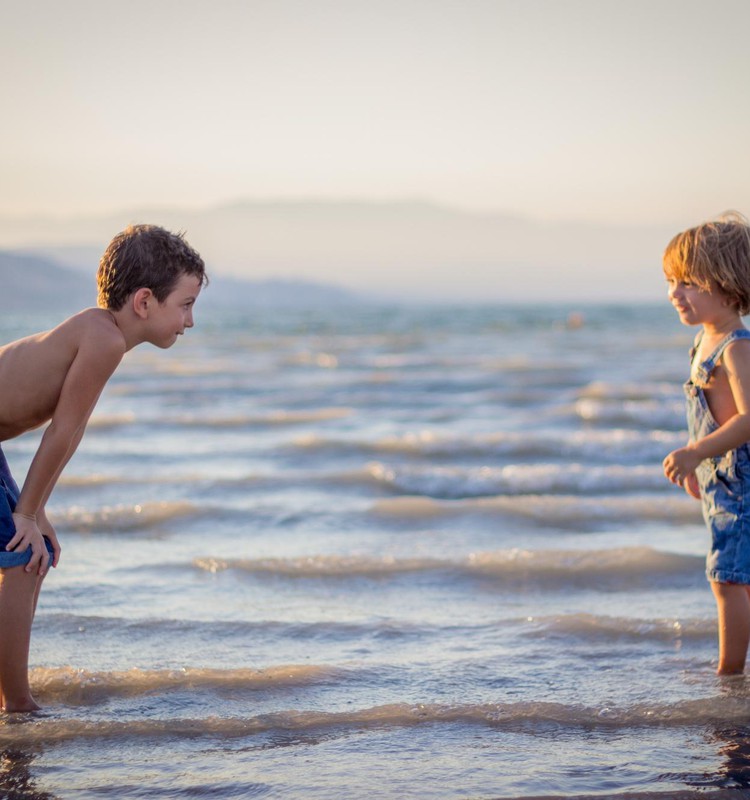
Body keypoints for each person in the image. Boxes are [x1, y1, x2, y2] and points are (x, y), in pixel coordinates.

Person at [0, 224, 206, 711]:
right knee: (21, 557)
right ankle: (18, 703)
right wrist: (24, 514)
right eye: (186, 304)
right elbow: (63, 433)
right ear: (143, 302)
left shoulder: (99, 333)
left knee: (37, 553)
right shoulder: (103, 340)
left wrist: (36, 511)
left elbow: (69, 434)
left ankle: (13, 694)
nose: (190, 321)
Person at [663, 212, 750, 675]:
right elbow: (709, 417)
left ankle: (729, 674)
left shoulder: (735, 346)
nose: (675, 293)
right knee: (739, 574)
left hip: (741, 482)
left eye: (688, 282)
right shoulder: (703, 341)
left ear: (728, 285)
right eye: (671, 281)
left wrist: (698, 453)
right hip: (721, 478)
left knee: (728, 578)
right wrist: (699, 465)